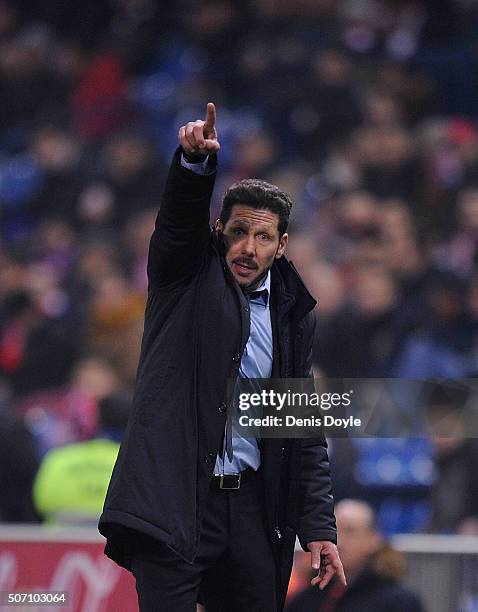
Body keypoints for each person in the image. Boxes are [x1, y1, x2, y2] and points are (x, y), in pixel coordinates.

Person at [98, 103, 345, 611]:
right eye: (238, 232)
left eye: (263, 237)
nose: (248, 248)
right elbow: (177, 226)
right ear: (218, 231)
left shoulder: (295, 314)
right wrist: (194, 168)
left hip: (252, 510)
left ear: (282, 246)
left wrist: (318, 524)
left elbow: (302, 424)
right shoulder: (183, 278)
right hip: (177, 499)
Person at [286, 499, 423, 612]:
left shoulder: (400, 603)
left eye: (349, 531)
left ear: (373, 539)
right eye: (331, 531)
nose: (337, 541)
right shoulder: (303, 601)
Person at [33, 391, 130, 524]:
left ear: (98, 419)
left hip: (60, 542)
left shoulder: (58, 459)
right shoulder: (135, 466)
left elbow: (40, 504)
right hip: (115, 542)